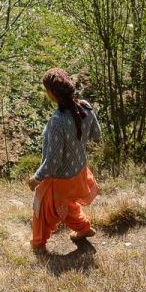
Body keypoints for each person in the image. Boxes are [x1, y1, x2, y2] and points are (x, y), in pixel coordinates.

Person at [28, 67, 102, 251]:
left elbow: (53, 163)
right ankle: (83, 228)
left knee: (41, 210)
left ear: (52, 94)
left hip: (61, 179)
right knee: (66, 205)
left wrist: (36, 178)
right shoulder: (84, 106)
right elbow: (96, 133)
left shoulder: (57, 122)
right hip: (80, 171)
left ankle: (38, 244)